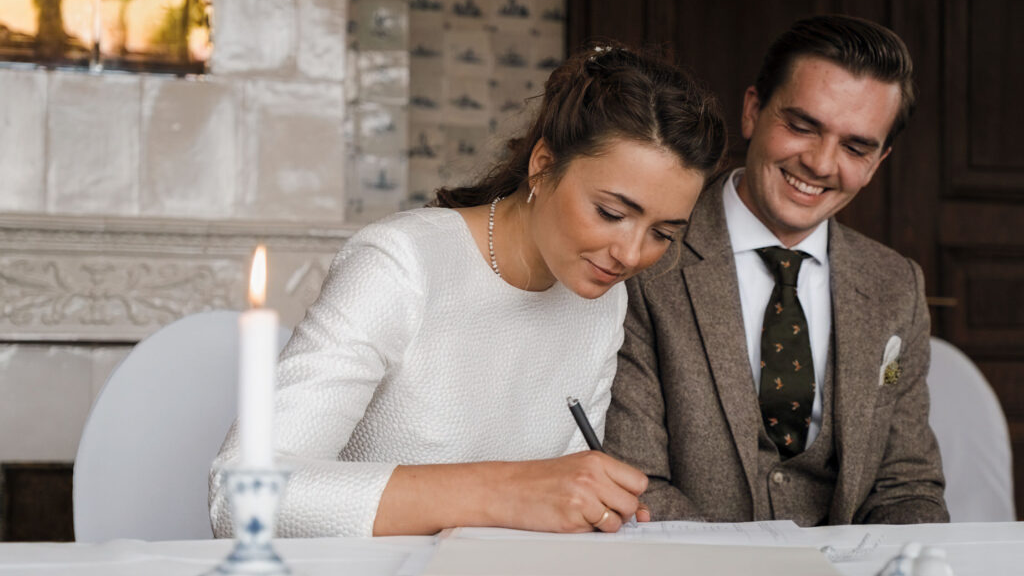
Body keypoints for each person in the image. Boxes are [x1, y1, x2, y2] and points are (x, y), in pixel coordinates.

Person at [210, 45, 728, 537]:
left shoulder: (602, 298)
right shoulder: (402, 263)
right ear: (543, 166)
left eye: (663, 233)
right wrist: (502, 490)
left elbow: (561, 502)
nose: (631, 255)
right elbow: (239, 496)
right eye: (612, 214)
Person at [605, 15, 950, 526]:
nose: (820, 163)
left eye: (856, 147)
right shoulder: (649, 252)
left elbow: (907, 486)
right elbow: (635, 478)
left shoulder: (896, 284)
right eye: (802, 126)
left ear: (877, 162)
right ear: (752, 112)